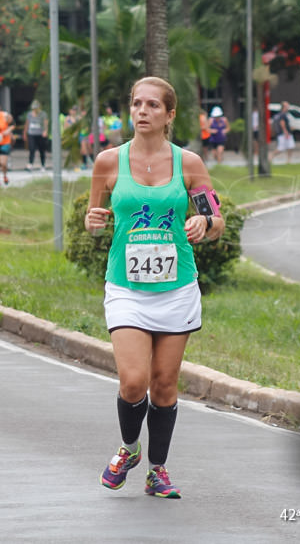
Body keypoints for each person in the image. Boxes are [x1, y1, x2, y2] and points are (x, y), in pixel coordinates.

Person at [85, 76, 223, 499]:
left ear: (170, 115)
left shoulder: (189, 164)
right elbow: (94, 218)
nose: (142, 111)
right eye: (136, 104)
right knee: (133, 381)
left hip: (176, 287)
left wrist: (205, 222)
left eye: (152, 106)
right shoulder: (108, 162)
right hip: (126, 288)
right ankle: (129, 449)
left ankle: (157, 470)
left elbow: (217, 222)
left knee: (163, 385)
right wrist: (92, 223)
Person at [24, 100, 49, 171]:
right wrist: (25, 133)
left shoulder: (43, 114)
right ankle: (30, 164)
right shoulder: (29, 114)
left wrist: (45, 131)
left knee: (42, 150)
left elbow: (45, 123)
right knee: (32, 149)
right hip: (31, 133)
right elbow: (27, 124)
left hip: (40, 134)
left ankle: (43, 165)